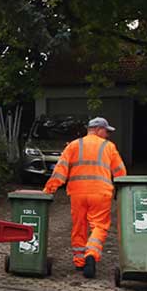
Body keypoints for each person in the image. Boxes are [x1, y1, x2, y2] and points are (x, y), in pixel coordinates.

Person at [43, 117, 127, 278]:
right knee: (99, 226)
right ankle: (91, 255)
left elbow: (60, 170)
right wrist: (123, 190)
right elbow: (120, 172)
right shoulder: (109, 147)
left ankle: (79, 262)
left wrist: (49, 190)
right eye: (106, 131)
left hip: (77, 193)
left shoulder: (74, 145)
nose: (108, 135)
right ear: (97, 129)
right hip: (101, 194)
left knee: (79, 226)